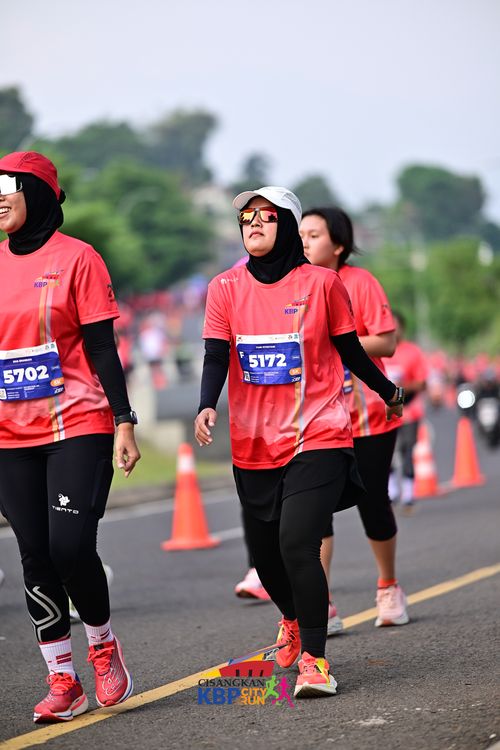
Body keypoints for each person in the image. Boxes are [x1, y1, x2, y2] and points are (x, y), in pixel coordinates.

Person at [194, 186, 403, 698]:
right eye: (246, 217)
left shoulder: (324, 283)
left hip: (319, 431)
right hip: (253, 440)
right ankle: (290, 619)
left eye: (266, 216)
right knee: (266, 557)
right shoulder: (224, 287)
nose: (253, 223)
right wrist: (205, 404)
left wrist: (387, 390)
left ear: (285, 224)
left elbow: (349, 349)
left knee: (297, 542)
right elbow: (216, 354)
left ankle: (315, 659)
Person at [0, 152, 140, 723]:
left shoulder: (79, 258)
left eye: (8, 185)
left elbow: (102, 345)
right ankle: (63, 678)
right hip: (9, 434)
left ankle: (103, 646)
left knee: (69, 547)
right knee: (33, 553)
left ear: (36, 190)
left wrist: (124, 420)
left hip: (77, 423)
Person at [299, 207, 409, 630]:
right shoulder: (295, 285)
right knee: (315, 510)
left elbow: (387, 342)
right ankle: (321, 603)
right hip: (315, 418)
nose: (304, 241)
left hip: (367, 417)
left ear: (339, 245)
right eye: (301, 234)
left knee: (373, 502)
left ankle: (388, 586)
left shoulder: (360, 283)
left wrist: (337, 343)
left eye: (314, 235)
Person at [383, 311, 428, 508]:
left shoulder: (412, 352)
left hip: (409, 409)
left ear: (402, 328)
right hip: (385, 410)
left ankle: (409, 492)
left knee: (407, 449)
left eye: (395, 327)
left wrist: (400, 388)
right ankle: (391, 490)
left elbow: (422, 382)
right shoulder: (378, 350)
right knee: (387, 451)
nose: (392, 331)